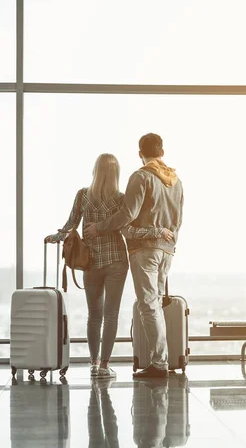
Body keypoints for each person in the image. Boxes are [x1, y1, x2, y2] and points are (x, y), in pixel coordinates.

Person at [46, 153, 172, 379]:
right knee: (111, 315)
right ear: (116, 174)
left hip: (90, 262)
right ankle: (104, 366)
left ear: (95, 170)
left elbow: (70, 225)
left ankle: (93, 364)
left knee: (94, 315)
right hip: (116, 262)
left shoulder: (83, 195)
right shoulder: (121, 200)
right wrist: (158, 232)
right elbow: (130, 231)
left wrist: (55, 237)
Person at [84, 133, 184, 379]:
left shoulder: (141, 177)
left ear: (141, 153)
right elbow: (178, 219)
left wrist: (100, 227)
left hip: (144, 248)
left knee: (148, 305)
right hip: (167, 248)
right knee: (156, 303)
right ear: (162, 151)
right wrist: (170, 243)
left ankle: (159, 364)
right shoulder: (176, 180)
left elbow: (128, 213)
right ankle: (160, 361)